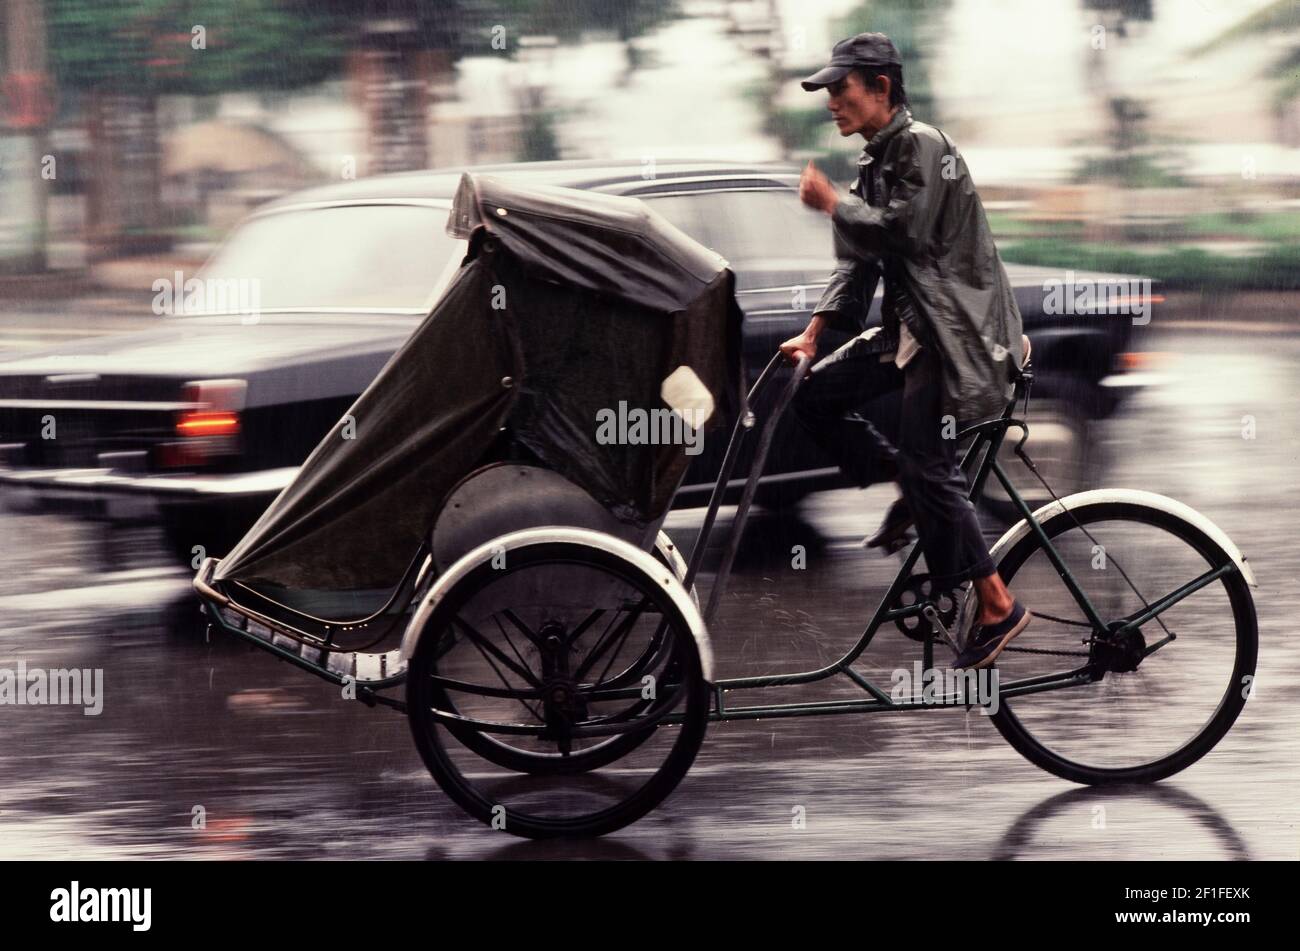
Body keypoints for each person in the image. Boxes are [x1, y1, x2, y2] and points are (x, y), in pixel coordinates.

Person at [780, 32, 1031, 669]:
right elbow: (858, 264)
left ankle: (998, 603)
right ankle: (906, 486)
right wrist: (815, 330)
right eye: (829, 91)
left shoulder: (924, 146)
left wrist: (833, 203)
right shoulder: (874, 160)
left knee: (931, 464)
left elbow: (907, 234)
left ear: (881, 88)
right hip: (909, 334)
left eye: (841, 89)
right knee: (813, 397)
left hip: (953, 338)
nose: (831, 102)